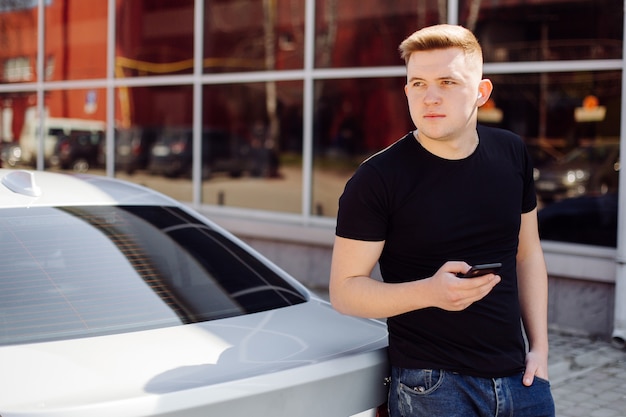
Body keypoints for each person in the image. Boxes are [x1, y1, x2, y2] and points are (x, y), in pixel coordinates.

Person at [329, 24, 555, 417]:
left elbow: (527, 254)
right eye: (417, 83)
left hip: (522, 380)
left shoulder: (511, 153)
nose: (429, 97)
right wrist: (430, 293)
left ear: (481, 93)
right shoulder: (377, 178)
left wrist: (540, 348)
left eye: (447, 82)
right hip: (431, 387)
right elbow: (345, 292)